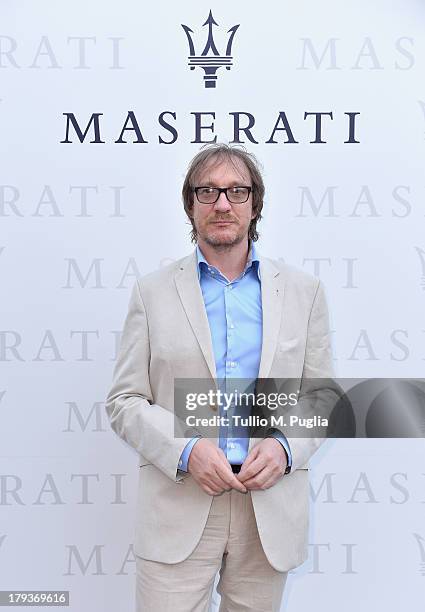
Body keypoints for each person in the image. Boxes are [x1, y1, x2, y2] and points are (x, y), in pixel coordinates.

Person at [105, 143, 335, 611]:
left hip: (266, 508)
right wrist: (186, 449)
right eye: (207, 192)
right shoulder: (151, 292)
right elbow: (125, 400)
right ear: (190, 205)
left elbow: (322, 396)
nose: (222, 203)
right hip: (179, 502)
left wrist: (285, 447)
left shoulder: (303, 292)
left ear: (255, 204)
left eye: (236, 191)